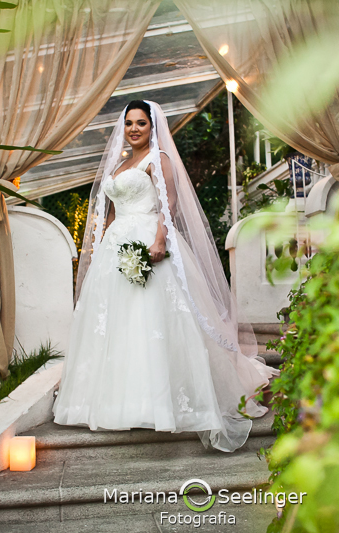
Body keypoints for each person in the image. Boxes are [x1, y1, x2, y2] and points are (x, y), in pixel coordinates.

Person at [52, 100, 277, 452]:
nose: (134, 129)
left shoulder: (160, 159)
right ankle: (115, 402)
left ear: (152, 125)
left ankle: (161, 403)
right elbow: (112, 210)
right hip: (116, 249)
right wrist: (102, 247)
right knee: (114, 324)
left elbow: (168, 204)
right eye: (129, 123)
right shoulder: (121, 162)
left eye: (141, 123)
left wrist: (159, 241)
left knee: (150, 319)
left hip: (148, 241)